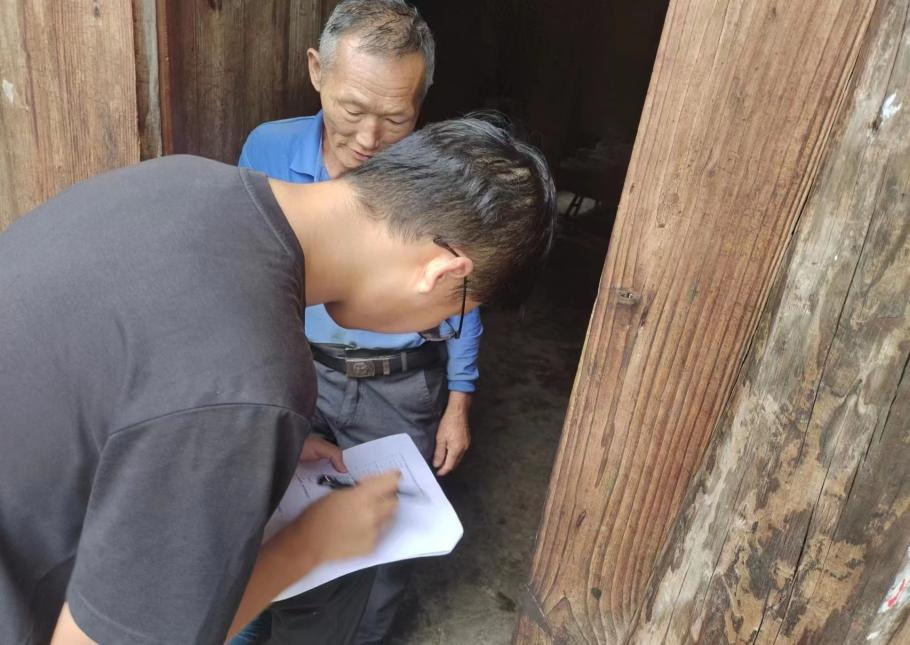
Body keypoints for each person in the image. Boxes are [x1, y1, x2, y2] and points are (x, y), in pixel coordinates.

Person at [0, 115, 556, 645]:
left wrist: (242, 447)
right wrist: (309, 546)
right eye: (450, 317)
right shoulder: (250, 380)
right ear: (440, 273)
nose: (435, 329)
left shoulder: (183, 176)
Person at [238, 1, 482, 642]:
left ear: (420, 103)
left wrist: (460, 398)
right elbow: (246, 274)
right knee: (270, 513)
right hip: (298, 371)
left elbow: (464, 295)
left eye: (396, 118)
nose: (370, 139)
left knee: (386, 541)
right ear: (316, 71)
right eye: (352, 109)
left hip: (399, 387)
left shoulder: (437, 179)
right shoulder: (267, 148)